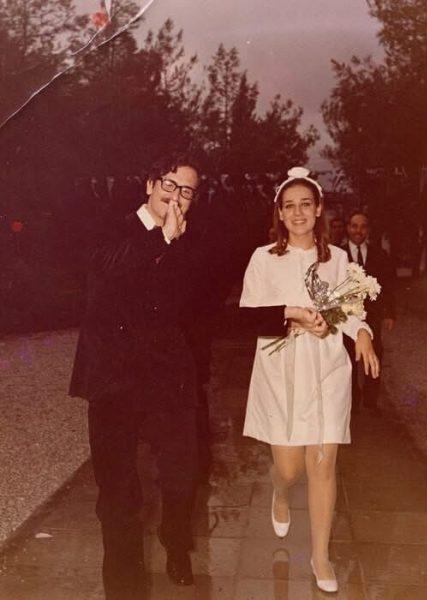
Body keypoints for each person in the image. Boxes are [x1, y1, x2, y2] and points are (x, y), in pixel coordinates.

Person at [69, 152, 214, 599]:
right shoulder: (109, 226)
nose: (176, 196)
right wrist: (162, 239)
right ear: (149, 185)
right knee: (118, 494)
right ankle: (125, 590)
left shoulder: (192, 240)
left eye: (186, 190)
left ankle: (175, 539)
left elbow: (199, 307)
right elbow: (108, 267)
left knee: (184, 475)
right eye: (169, 184)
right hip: (113, 379)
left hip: (167, 377)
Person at [240, 167, 379, 593]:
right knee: (289, 467)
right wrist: (293, 316)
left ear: (319, 210)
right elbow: (248, 315)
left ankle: (320, 556)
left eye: (306, 204)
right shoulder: (264, 258)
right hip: (281, 369)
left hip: (326, 368)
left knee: (323, 463)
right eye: (289, 206)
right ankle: (280, 493)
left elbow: (350, 309)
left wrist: (361, 333)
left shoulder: (337, 259)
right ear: (280, 214)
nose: (298, 213)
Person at [342, 211, 396, 413]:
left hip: (372, 316)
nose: (358, 231)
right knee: (348, 358)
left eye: (363, 226)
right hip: (346, 316)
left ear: (368, 230)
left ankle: (371, 402)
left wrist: (390, 313)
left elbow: (388, 286)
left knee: (374, 355)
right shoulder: (338, 255)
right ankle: (352, 401)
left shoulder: (379, 255)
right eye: (354, 226)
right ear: (348, 228)